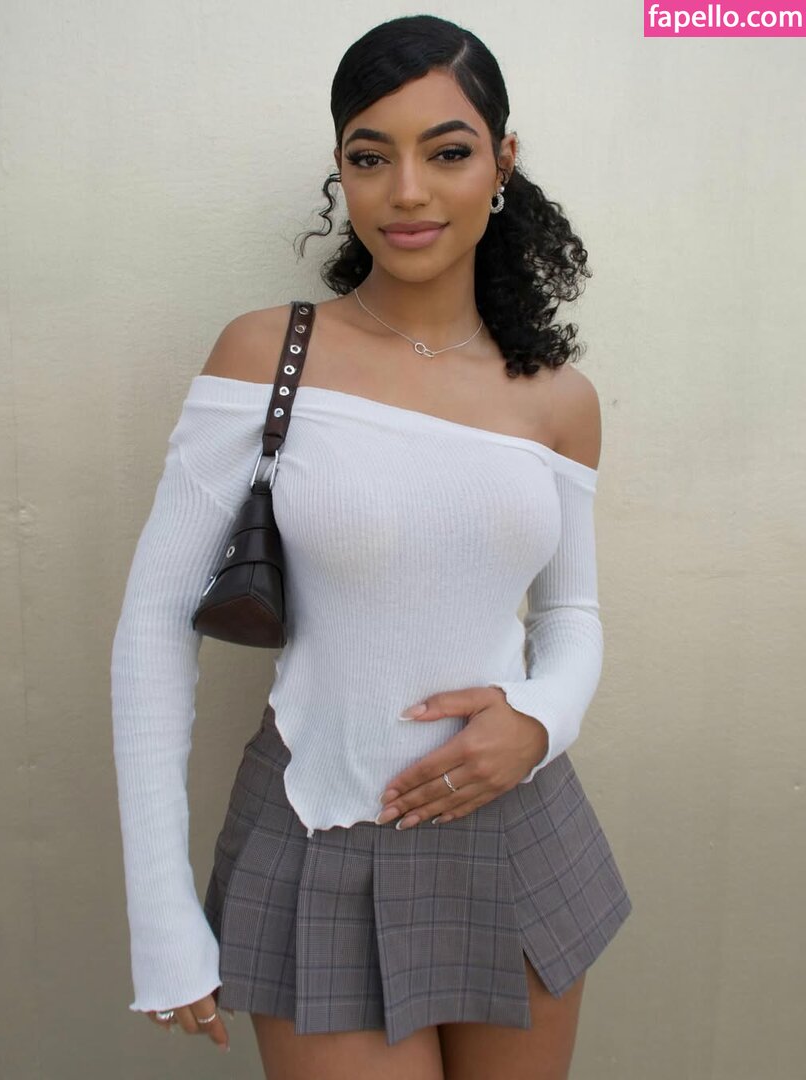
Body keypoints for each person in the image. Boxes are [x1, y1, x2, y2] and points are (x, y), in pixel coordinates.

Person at [110, 13, 632, 1080]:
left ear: (502, 162)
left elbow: (570, 613)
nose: (407, 192)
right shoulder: (267, 356)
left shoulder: (558, 401)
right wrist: (159, 912)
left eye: (447, 152)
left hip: (519, 825)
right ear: (340, 169)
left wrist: (538, 722)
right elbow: (155, 625)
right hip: (320, 829)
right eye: (369, 156)